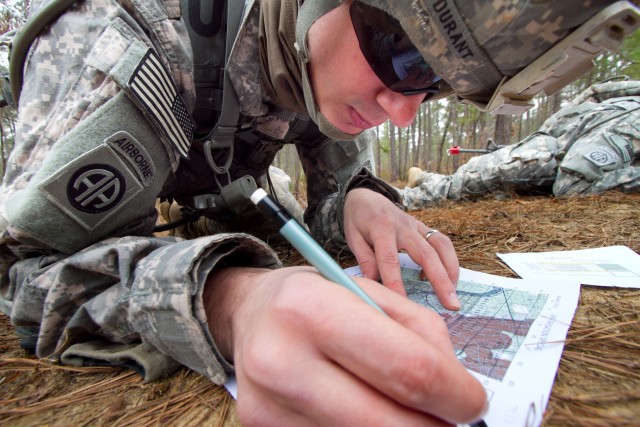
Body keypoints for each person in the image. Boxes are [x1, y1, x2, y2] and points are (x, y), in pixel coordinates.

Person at [0, 0, 633, 425]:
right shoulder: (121, 44)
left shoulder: (321, 54)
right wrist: (228, 302)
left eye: (433, 83)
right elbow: (25, 270)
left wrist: (359, 201)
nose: (403, 110)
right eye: (405, 55)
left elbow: (337, 185)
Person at [402, 79, 640, 211]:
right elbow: (572, 185)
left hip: (542, 161)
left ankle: (422, 177)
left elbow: (595, 93)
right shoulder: (633, 121)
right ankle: (399, 193)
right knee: (453, 190)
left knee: (478, 194)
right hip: (539, 161)